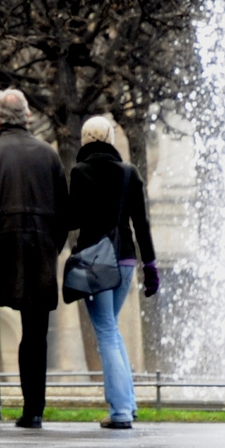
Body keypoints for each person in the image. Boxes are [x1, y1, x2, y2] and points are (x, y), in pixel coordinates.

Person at [0, 88, 69, 429]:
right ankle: (33, 410)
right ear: (28, 117)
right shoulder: (49, 156)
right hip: (38, 253)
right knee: (35, 333)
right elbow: (64, 214)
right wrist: (51, 247)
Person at [68, 116, 159, 430]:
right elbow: (141, 224)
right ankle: (128, 403)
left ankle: (120, 411)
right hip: (125, 260)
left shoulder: (80, 173)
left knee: (106, 331)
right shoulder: (128, 173)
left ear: (85, 140)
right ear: (110, 138)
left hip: (95, 263)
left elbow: (73, 219)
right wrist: (150, 266)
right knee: (112, 329)